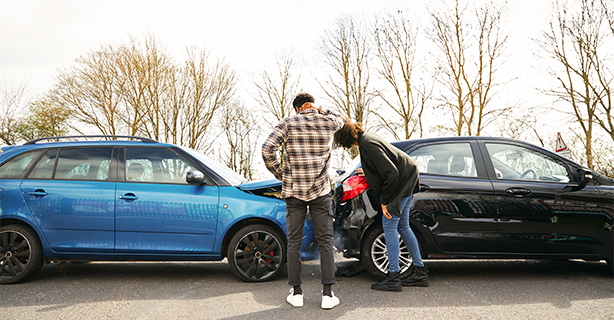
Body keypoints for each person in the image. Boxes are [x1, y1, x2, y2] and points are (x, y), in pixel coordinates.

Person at [262, 93, 346, 309]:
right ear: (312, 106)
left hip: (293, 191)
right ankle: (327, 294)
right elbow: (341, 118)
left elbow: (267, 148)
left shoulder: (288, 123)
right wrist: (322, 109)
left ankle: (296, 292)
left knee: (294, 241)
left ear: (297, 108)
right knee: (326, 241)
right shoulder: (327, 122)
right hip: (320, 191)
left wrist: (279, 173)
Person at [333, 121, 429, 291]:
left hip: (401, 181)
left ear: (346, 138)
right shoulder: (367, 139)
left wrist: (385, 202)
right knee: (403, 226)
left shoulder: (367, 145)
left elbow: (391, 174)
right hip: (408, 175)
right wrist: (369, 172)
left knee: (389, 225)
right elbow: (383, 166)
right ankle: (420, 272)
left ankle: (393, 277)